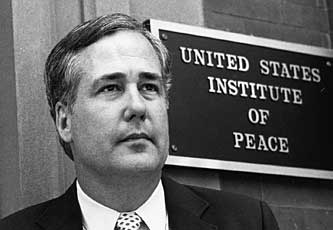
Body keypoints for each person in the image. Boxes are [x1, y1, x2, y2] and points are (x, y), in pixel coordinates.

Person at [0, 13, 279, 230]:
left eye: (149, 87)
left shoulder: (250, 221)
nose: (137, 106)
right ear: (65, 121)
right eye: (111, 88)